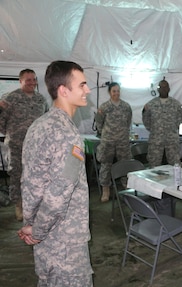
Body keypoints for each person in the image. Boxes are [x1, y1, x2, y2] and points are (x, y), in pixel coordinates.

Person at [17, 60, 93, 286]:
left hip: (46, 235)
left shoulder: (40, 124)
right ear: (63, 90)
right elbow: (59, 192)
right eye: (82, 85)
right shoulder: (66, 134)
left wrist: (34, 227)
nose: (87, 90)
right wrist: (38, 231)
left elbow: (31, 182)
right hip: (65, 241)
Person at [0, 69, 49, 221]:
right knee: (16, 174)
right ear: (21, 81)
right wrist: (12, 133)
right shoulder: (10, 98)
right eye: (28, 80)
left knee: (36, 175)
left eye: (34, 80)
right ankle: (18, 206)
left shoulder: (40, 99)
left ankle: (34, 205)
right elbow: (1, 122)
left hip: (36, 146)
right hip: (16, 144)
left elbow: (45, 120)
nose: (32, 83)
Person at [95, 82, 133, 202]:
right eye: (114, 91)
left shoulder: (126, 106)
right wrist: (106, 133)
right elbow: (99, 123)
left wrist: (122, 133)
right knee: (106, 165)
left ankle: (126, 186)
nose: (116, 93)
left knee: (125, 164)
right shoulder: (104, 107)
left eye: (118, 91)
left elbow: (128, 121)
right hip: (108, 141)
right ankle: (106, 190)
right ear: (109, 92)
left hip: (123, 141)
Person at [142, 79, 182, 167]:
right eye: (161, 87)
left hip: (171, 139)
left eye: (165, 87)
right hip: (156, 139)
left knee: (175, 165)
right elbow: (146, 119)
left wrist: (171, 129)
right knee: (153, 165)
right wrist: (154, 130)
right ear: (158, 89)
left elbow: (179, 119)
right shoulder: (150, 104)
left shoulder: (176, 104)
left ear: (169, 89)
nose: (163, 89)